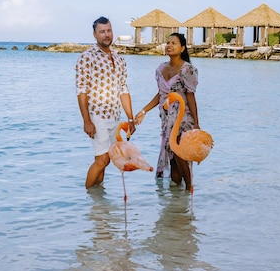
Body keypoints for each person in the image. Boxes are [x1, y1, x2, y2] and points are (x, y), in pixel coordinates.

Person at [76, 16, 136, 188]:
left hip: (115, 116)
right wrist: (86, 121)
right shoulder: (87, 57)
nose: (106, 35)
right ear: (94, 34)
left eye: (109, 31)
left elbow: (124, 90)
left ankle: (97, 203)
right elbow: (81, 91)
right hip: (97, 116)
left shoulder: (119, 59)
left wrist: (130, 119)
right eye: (102, 32)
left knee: (105, 160)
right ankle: (87, 195)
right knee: (102, 159)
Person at [135, 32, 200, 190]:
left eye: (174, 43)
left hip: (183, 119)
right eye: (167, 42)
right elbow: (160, 95)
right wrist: (144, 111)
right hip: (166, 119)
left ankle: (189, 189)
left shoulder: (187, 69)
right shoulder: (161, 68)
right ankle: (176, 202)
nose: (169, 45)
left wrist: (197, 124)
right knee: (172, 160)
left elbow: (191, 97)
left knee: (180, 154)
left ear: (182, 48)